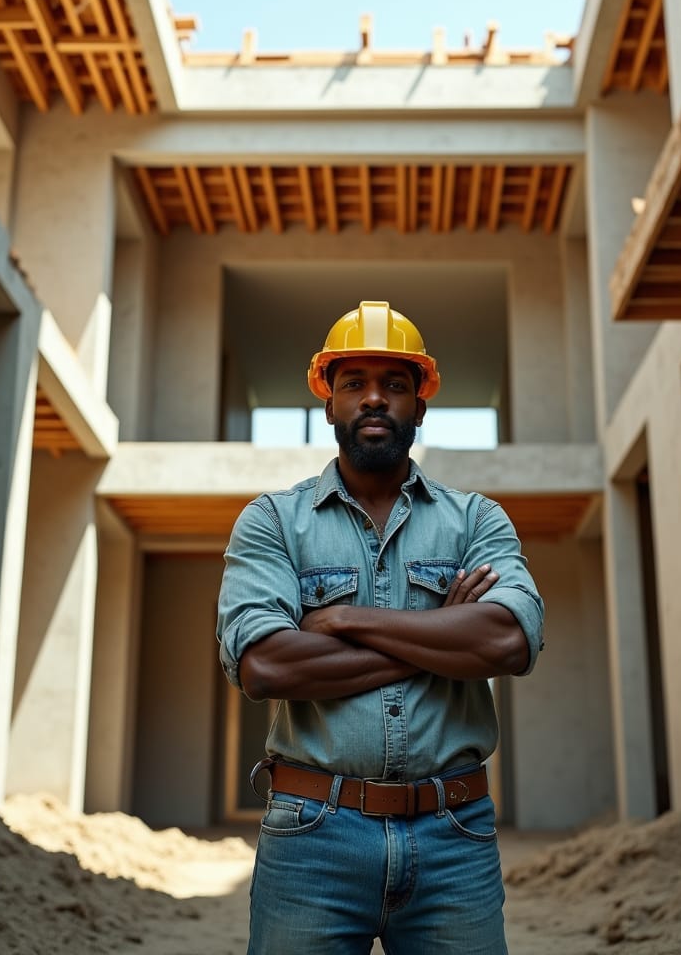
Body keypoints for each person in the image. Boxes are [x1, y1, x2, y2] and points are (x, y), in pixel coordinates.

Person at [216, 300, 544, 954]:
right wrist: (443, 632)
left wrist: (343, 620)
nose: (374, 398)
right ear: (329, 402)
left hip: (456, 837)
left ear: (420, 404)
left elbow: (508, 641)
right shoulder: (273, 523)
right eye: (354, 384)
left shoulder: (477, 520)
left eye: (394, 384)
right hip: (312, 836)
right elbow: (266, 667)